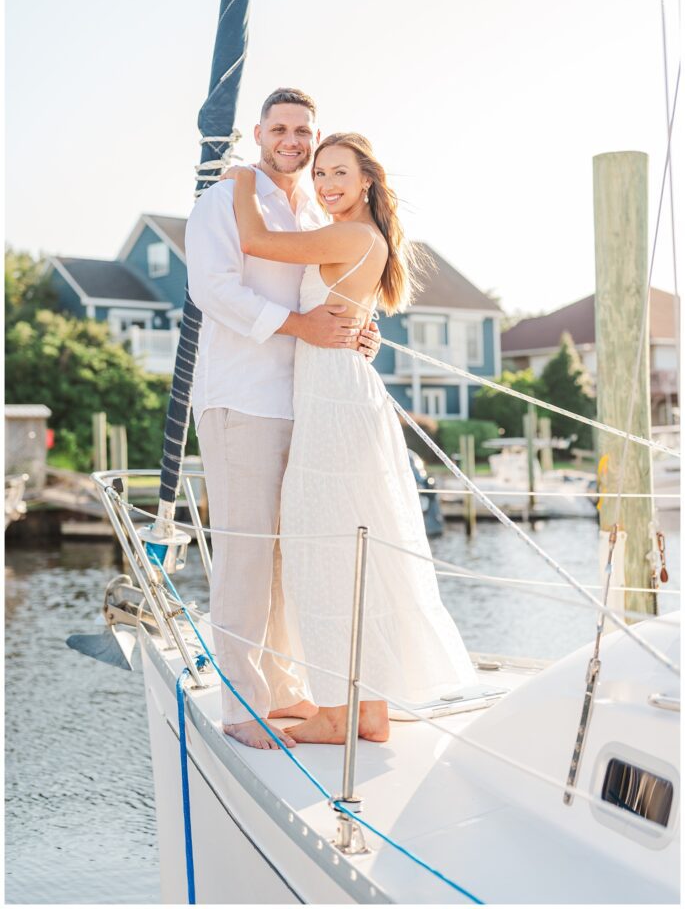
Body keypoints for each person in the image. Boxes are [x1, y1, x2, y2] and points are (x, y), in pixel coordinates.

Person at [226, 131, 476, 745]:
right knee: (350, 543)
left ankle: (340, 714)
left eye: (339, 172)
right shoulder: (367, 239)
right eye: (320, 175)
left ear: (367, 179)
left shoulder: (352, 235)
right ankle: (370, 710)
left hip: (336, 404)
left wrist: (239, 177)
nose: (327, 184)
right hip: (339, 394)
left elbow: (255, 240)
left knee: (328, 547)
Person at [185, 88, 381, 751]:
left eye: (303, 130)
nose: (292, 141)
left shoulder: (310, 206)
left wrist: (356, 332)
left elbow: (332, 292)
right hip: (241, 398)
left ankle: (283, 685)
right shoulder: (224, 200)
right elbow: (212, 288)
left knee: (287, 552)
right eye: (280, 129)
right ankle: (241, 705)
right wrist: (303, 326)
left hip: (303, 398)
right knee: (245, 551)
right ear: (259, 132)